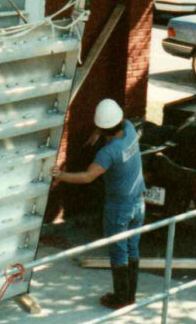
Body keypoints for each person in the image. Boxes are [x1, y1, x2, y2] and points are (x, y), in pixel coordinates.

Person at [51, 99, 145, 309]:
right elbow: (120, 121)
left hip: (119, 207)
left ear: (104, 129)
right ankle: (130, 297)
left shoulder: (108, 152)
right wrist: (98, 132)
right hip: (138, 202)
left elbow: (87, 176)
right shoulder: (129, 130)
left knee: (119, 252)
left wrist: (60, 175)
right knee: (132, 248)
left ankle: (120, 299)